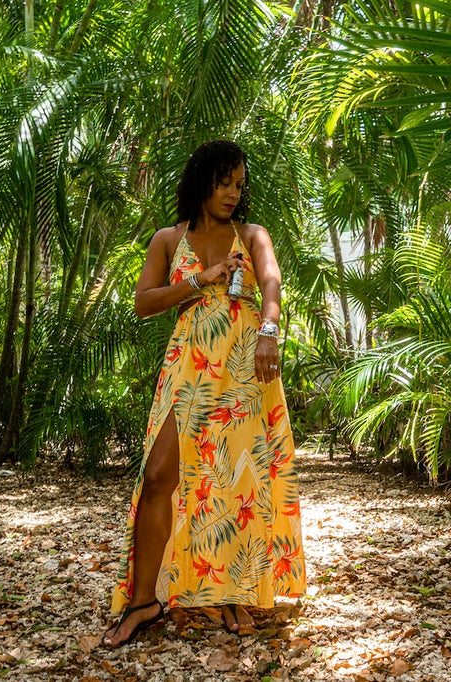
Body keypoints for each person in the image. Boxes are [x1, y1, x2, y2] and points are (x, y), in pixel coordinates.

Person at [102, 140, 306, 647]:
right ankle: (144, 601)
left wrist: (270, 330)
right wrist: (200, 279)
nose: (234, 192)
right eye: (224, 181)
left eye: (239, 183)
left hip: (243, 363)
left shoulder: (252, 234)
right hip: (188, 364)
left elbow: (272, 282)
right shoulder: (168, 239)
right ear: (201, 181)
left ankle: (235, 591)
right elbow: (144, 303)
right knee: (157, 476)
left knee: (238, 481)